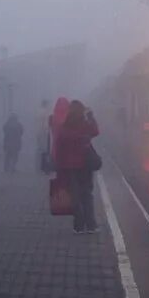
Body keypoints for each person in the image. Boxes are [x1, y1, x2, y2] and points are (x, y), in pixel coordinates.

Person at [54, 100, 100, 234]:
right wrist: (91, 116)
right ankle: (91, 225)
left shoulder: (64, 128)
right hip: (85, 166)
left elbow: (59, 149)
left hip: (69, 167)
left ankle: (78, 225)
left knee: (75, 196)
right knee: (87, 194)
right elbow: (96, 131)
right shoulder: (85, 125)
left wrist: (58, 166)